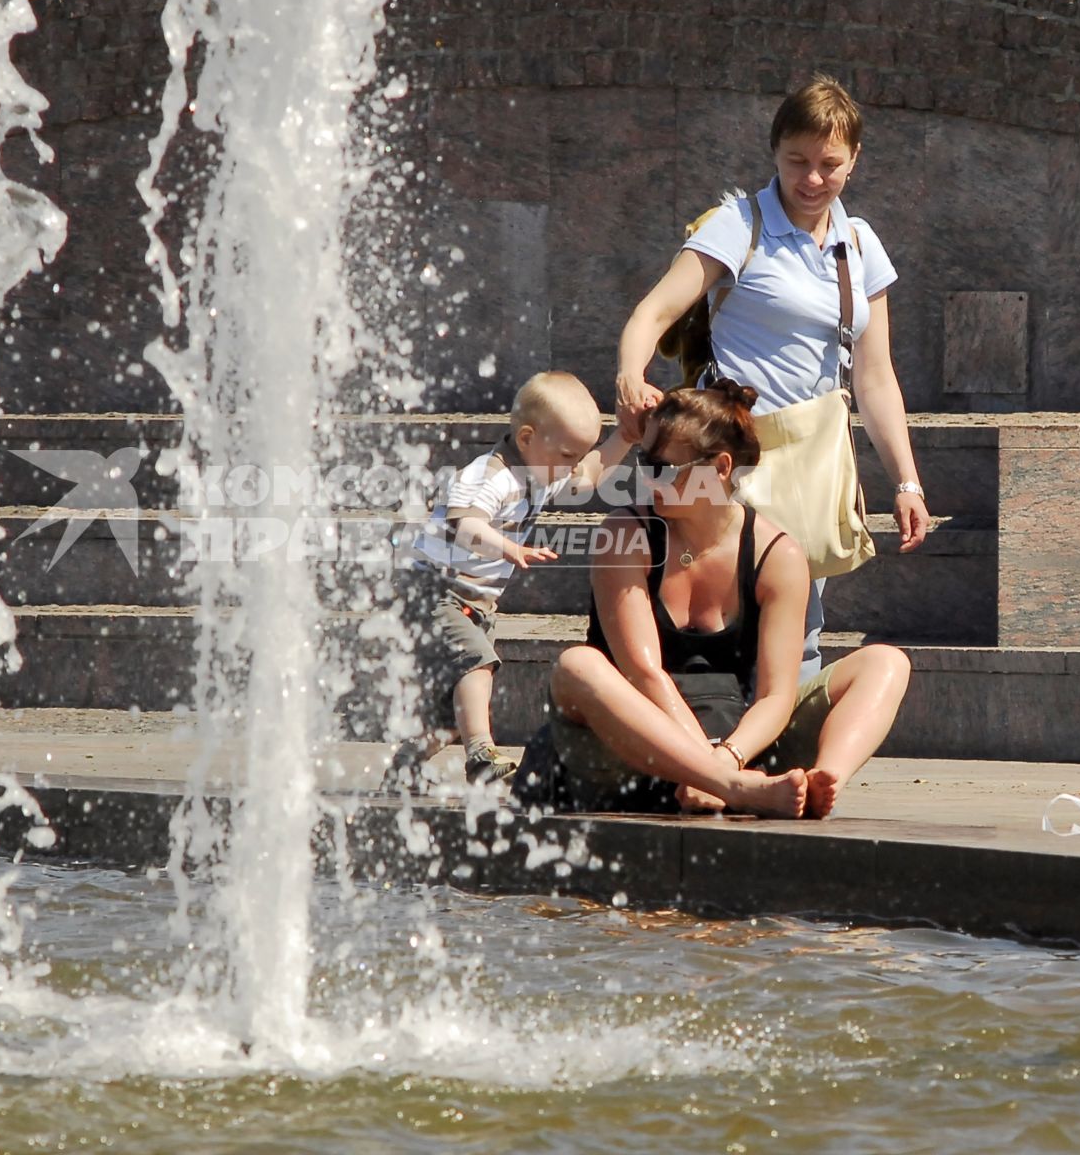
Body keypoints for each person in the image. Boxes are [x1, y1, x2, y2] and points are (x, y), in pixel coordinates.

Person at [614, 75, 930, 685]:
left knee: (798, 624)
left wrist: (907, 482)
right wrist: (630, 374)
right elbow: (652, 313)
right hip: (729, 455)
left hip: (810, 458)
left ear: (854, 160)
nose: (813, 179)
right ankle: (703, 754)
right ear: (774, 152)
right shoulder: (740, 223)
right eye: (797, 161)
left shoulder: (859, 244)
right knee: (715, 613)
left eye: (829, 164)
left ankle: (777, 762)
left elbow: (876, 376)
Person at [522, 381, 910, 818]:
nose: (647, 477)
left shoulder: (775, 554)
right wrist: (715, 772)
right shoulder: (626, 534)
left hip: (735, 748)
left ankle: (820, 783)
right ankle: (739, 789)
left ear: (721, 467)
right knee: (579, 665)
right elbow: (643, 673)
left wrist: (728, 757)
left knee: (885, 663)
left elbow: (775, 696)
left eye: (664, 468)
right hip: (627, 745)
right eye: (643, 462)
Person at [388, 370, 632, 790]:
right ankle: (481, 755)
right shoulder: (488, 475)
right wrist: (508, 547)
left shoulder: (544, 470)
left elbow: (591, 474)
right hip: (434, 591)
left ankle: (406, 766)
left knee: (451, 720)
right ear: (526, 438)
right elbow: (465, 524)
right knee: (477, 661)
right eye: (568, 455)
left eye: (576, 456)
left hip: (476, 602)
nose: (572, 467)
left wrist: (625, 437)